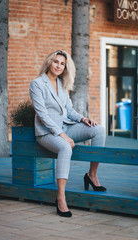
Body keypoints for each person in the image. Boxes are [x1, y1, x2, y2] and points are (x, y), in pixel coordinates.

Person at [30, 50, 106, 218]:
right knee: (66, 147)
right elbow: (42, 115)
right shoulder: (37, 84)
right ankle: (61, 198)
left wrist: (83, 118)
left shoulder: (62, 84)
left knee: (99, 129)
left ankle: (91, 175)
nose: (59, 66)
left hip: (66, 127)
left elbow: (69, 111)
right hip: (46, 132)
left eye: (62, 63)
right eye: (56, 62)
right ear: (49, 62)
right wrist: (61, 135)